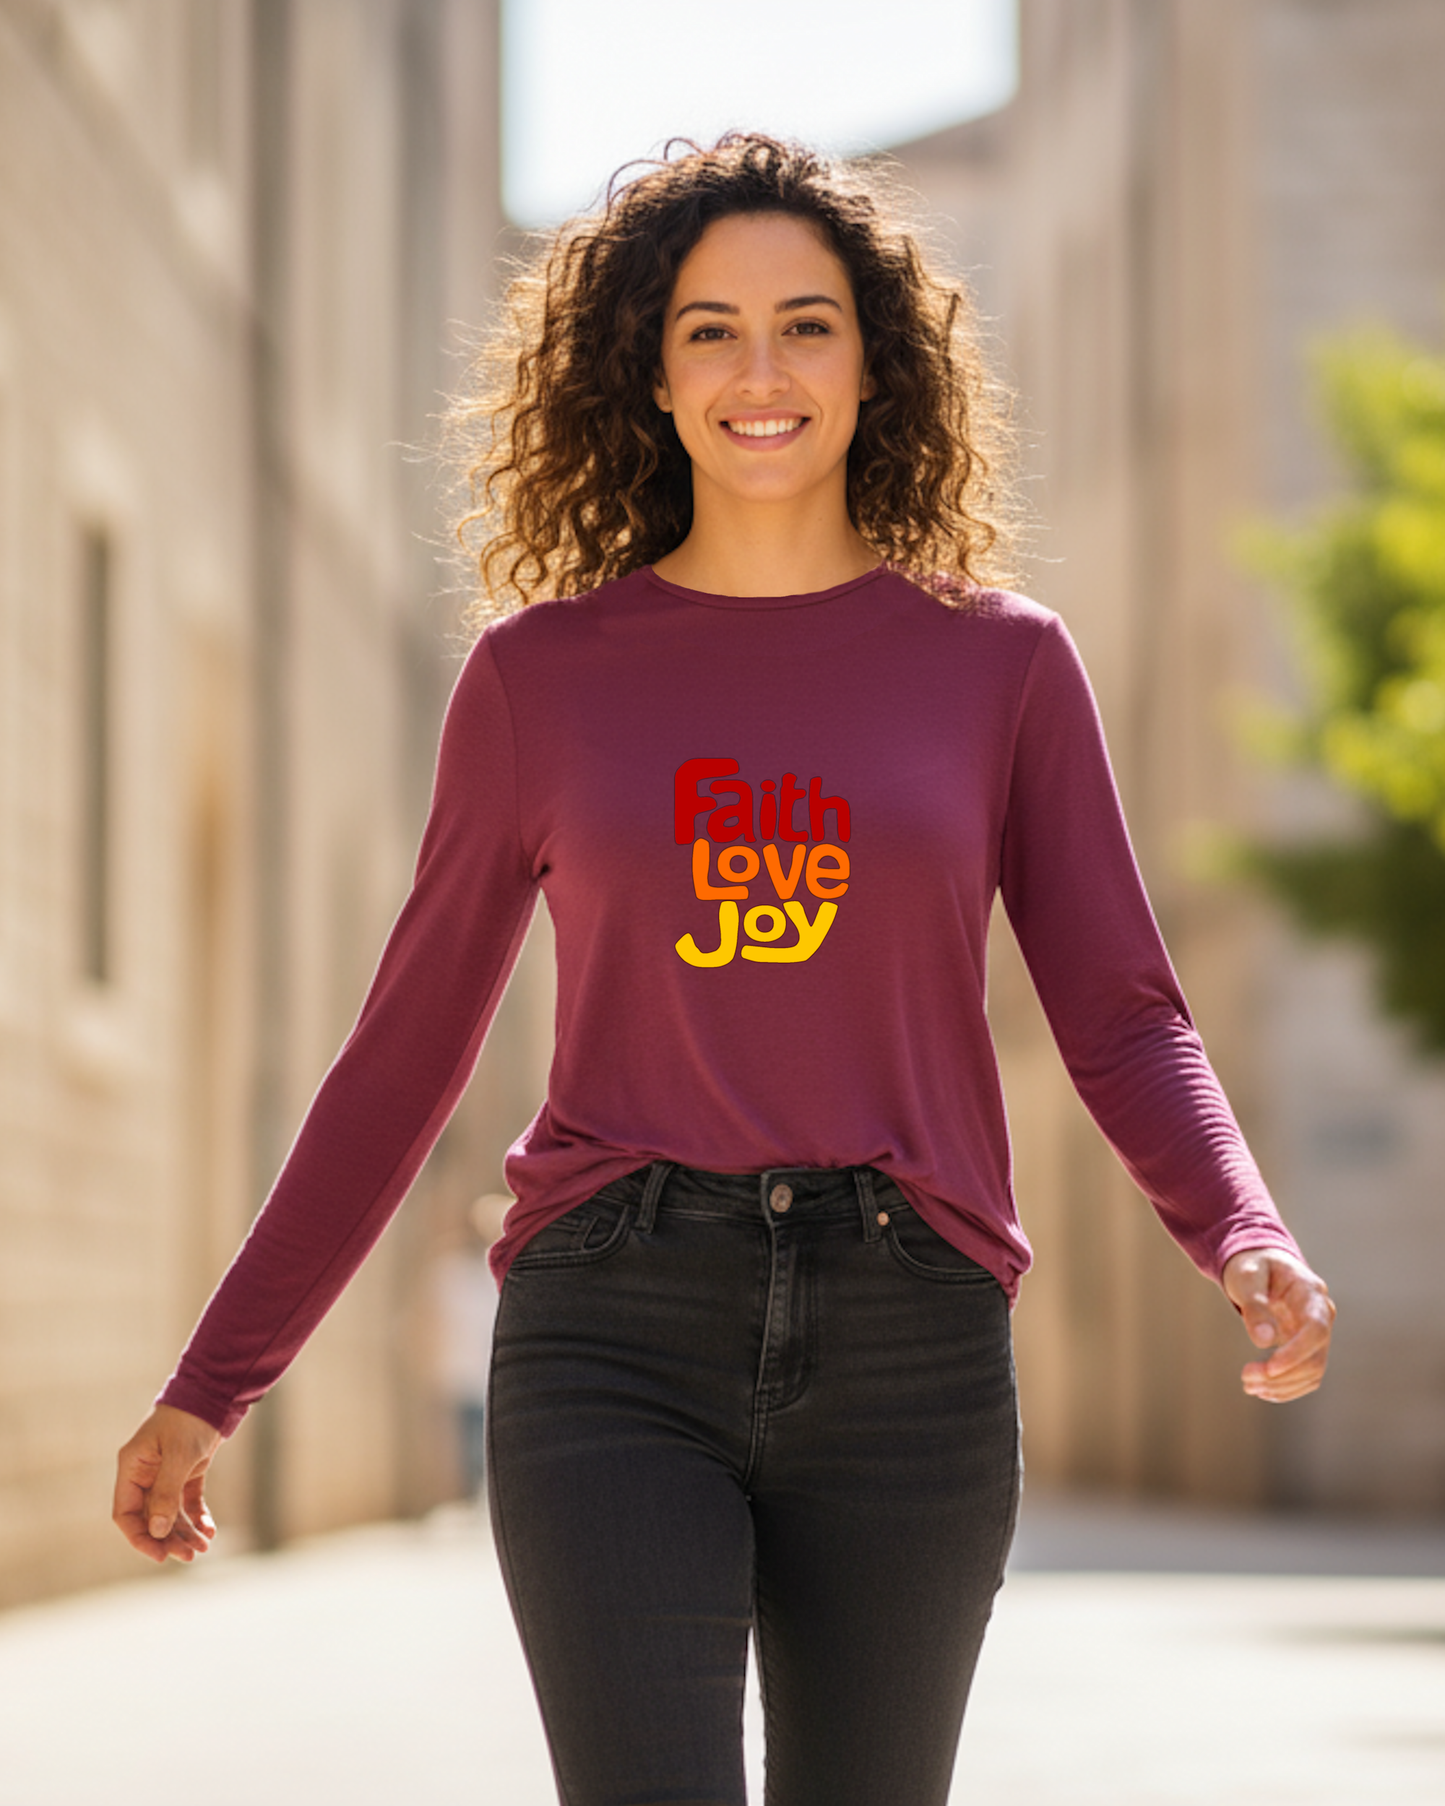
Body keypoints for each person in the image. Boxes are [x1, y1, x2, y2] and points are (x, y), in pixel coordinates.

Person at [114, 134, 1335, 1806]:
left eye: (808, 324)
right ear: (653, 370)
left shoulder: (1003, 668)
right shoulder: (541, 681)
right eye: (711, 329)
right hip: (614, 1317)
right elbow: (403, 1054)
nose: (762, 371)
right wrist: (216, 1381)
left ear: (875, 361)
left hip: (916, 1324)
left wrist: (1241, 1224)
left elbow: (1122, 1010)